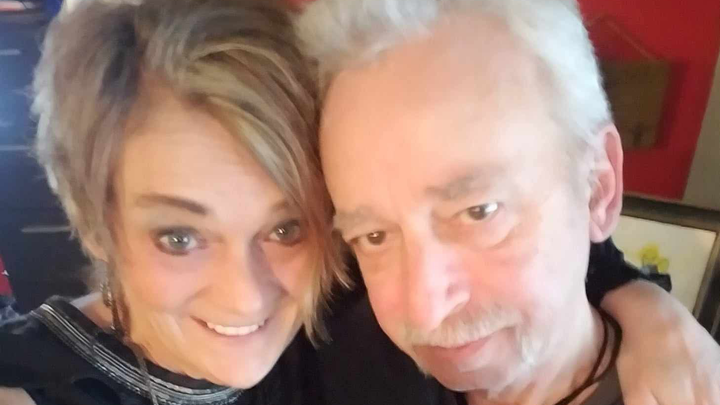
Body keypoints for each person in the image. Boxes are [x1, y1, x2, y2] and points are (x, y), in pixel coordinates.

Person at [296, 0, 720, 403]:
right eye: (374, 236)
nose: (426, 311)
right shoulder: (341, 367)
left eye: (478, 212)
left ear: (597, 187)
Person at [0, 0, 343, 403]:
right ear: (94, 223)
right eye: (180, 238)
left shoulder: (347, 339)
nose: (246, 298)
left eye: (286, 229)